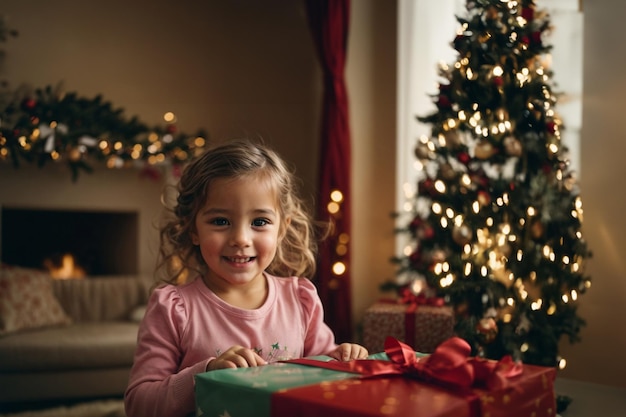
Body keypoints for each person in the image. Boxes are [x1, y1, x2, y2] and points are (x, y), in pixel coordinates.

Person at [124, 139, 368, 417]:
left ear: (281, 229)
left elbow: (323, 366)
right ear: (193, 229)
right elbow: (138, 405)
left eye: (260, 222)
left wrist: (342, 357)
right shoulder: (172, 307)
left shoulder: (301, 299)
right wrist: (206, 374)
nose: (240, 238)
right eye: (220, 221)